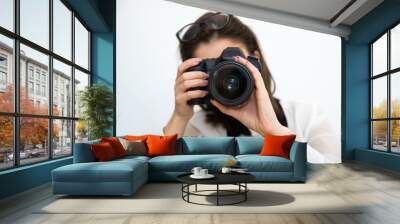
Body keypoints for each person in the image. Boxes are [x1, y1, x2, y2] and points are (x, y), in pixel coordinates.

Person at [163, 12, 340, 163]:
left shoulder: (306, 116)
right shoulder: (198, 127)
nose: (226, 75)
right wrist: (179, 117)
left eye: (232, 63)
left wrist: (274, 131)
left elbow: (336, 182)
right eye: (213, 67)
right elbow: (165, 176)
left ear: (256, 59)